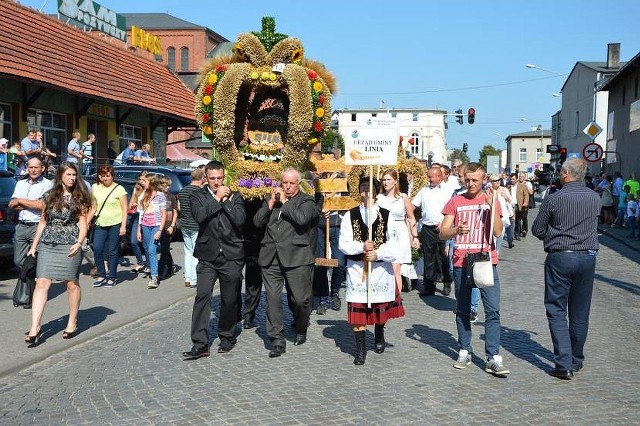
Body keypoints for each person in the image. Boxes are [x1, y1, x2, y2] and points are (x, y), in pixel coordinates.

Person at [531, 158, 601, 380]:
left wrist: (554, 236)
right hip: (588, 257)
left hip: (561, 257)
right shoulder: (594, 197)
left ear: (565, 174)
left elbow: (537, 229)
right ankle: (577, 359)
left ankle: (563, 363)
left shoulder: (555, 198)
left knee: (557, 310)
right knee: (580, 312)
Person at [440, 162, 510, 376]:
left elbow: (498, 233)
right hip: (462, 261)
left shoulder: (492, 201)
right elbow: (443, 232)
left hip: (485, 261)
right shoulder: (455, 202)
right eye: (467, 179)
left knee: (492, 310)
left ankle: (492, 356)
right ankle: (464, 349)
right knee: (462, 309)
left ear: (484, 180)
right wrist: (455, 230)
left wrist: (491, 207)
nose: (470, 184)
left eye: (475, 180)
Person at [182, 161, 246, 360]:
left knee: (229, 298)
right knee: (202, 296)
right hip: (207, 255)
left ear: (224, 176)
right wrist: (217, 198)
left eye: (220, 178)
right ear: (205, 178)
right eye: (212, 179)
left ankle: (227, 335)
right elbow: (199, 216)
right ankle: (200, 344)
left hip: (231, 255)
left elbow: (240, 219)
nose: (217, 182)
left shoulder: (235, 196)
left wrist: (225, 200)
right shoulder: (197, 196)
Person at [24, 162, 92, 346]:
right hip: (48, 244)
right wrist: (34, 246)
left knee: (71, 284)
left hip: (70, 245)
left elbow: (84, 224)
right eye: (69, 174)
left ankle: (72, 321)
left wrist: (79, 242)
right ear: (60, 175)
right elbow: (43, 222)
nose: (72, 178)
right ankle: (35, 327)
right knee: (42, 283)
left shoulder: (80, 197)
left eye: (74, 175)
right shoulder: (49, 196)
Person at [339, 176, 405, 365]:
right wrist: (361, 247)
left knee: (379, 309)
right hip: (358, 271)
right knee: (358, 310)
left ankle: (379, 331)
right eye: (363, 188)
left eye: (370, 189)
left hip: (380, 271)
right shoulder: (349, 216)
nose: (366, 192)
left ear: (376, 192)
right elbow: (343, 243)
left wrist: (378, 253)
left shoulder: (386, 215)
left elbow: (394, 245)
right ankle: (360, 350)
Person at [253, 167, 318, 358]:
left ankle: (301, 326)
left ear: (298, 184)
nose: (287, 187)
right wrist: (270, 203)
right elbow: (257, 223)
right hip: (270, 256)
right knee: (272, 299)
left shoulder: (306, 201)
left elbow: (302, 219)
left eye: (291, 183)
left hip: (296, 256)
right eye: (284, 183)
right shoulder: (271, 197)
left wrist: (286, 202)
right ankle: (277, 339)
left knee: (300, 300)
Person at [412, 166, 454, 296]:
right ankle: (429, 285)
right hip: (427, 228)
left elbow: (453, 210)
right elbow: (413, 205)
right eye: (428, 176)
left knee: (443, 257)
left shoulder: (448, 191)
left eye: (431, 177)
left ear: (439, 177)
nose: (428, 179)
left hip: (443, 228)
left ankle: (447, 281)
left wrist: (444, 223)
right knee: (428, 258)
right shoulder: (424, 191)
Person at [376, 169, 419, 297]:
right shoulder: (378, 198)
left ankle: (396, 297)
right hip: (383, 231)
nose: (385, 182)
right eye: (384, 179)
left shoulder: (403, 197)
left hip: (399, 232)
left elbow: (411, 217)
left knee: (396, 267)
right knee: (384, 266)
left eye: (388, 179)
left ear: (395, 181)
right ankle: (384, 295)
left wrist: (415, 236)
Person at [9, 157, 53, 270]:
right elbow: (12, 204)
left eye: (36, 167)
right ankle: (32, 278)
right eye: (31, 167)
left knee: (36, 258)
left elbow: (43, 205)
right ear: (27, 168)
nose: (33, 170)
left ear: (42, 168)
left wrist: (20, 200)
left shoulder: (48, 184)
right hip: (21, 226)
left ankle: (36, 283)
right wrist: (33, 203)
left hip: (37, 226)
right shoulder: (20, 183)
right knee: (18, 260)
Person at [88, 165, 127, 288]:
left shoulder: (119, 189)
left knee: (112, 251)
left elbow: (124, 209)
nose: (105, 178)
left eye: (108, 176)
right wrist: (88, 220)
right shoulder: (95, 187)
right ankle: (101, 275)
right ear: (99, 177)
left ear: (112, 176)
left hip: (115, 223)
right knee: (98, 249)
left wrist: (123, 226)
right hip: (100, 222)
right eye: (103, 176)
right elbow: (93, 206)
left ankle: (112, 277)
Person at [136, 174, 166, 289]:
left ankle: (154, 277)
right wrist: (139, 229)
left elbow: (163, 215)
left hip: (155, 225)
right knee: (148, 249)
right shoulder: (144, 195)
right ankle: (154, 270)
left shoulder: (160, 196)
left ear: (152, 183)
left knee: (152, 250)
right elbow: (141, 213)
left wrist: (159, 230)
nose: (143, 182)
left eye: (146, 181)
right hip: (145, 225)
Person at [177, 167, 204, 288]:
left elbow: (180, 208)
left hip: (185, 224)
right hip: (196, 224)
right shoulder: (199, 191)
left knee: (188, 252)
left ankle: (187, 278)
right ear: (202, 178)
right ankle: (194, 279)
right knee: (196, 253)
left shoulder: (183, 191)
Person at [128, 171, 149, 274]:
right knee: (133, 241)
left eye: (143, 180)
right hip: (137, 216)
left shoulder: (151, 190)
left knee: (146, 244)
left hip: (147, 217)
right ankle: (140, 262)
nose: (141, 182)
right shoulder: (137, 189)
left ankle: (149, 264)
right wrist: (133, 205)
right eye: (139, 179)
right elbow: (130, 203)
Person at [157, 176, 177, 280]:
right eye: (166, 185)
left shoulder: (171, 197)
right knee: (164, 248)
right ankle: (170, 265)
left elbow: (175, 211)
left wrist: (172, 226)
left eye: (169, 185)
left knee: (164, 248)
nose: (168, 187)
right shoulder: (157, 196)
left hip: (169, 226)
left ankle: (162, 272)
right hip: (159, 225)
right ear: (160, 185)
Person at [510, 173, 529, 240]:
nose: (512, 180)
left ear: (516, 179)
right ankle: (511, 234)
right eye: (511, 179)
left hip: (518, 205)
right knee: (511, 220)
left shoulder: (522, 186)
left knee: (517, 220)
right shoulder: (509, 186)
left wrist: (525, 202)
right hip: (510, 206)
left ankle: (516, 234)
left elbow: (526, 194)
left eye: (513, 179)